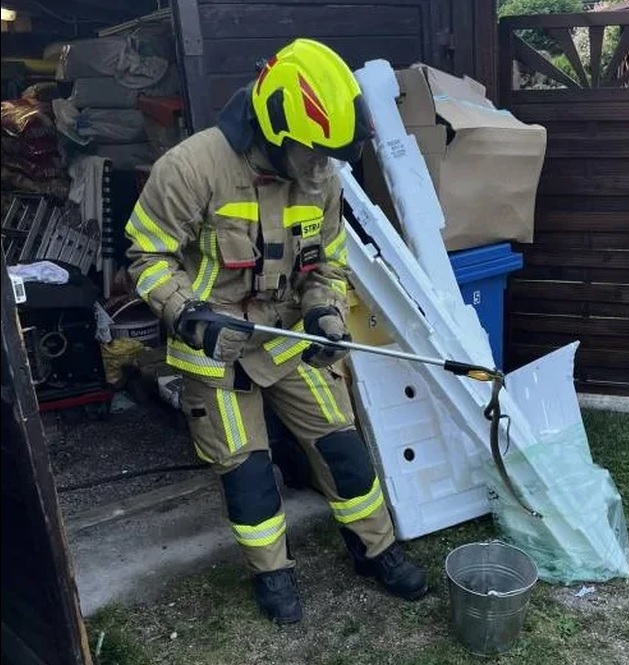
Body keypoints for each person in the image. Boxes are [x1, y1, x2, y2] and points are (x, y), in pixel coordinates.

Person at [125, 38, 427, 625]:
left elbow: (328, 261)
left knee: (343, 449)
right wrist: (186, 313)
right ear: (275, 129)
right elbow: (146, 255)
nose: (325, 169)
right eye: (315, 155)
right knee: (248, 473)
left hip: (289, 343)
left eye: (332, 157)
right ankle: (274, 574)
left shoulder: (322, 174)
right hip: (215, 351)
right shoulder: (190, 168)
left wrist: (325, 310)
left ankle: (376, 550)